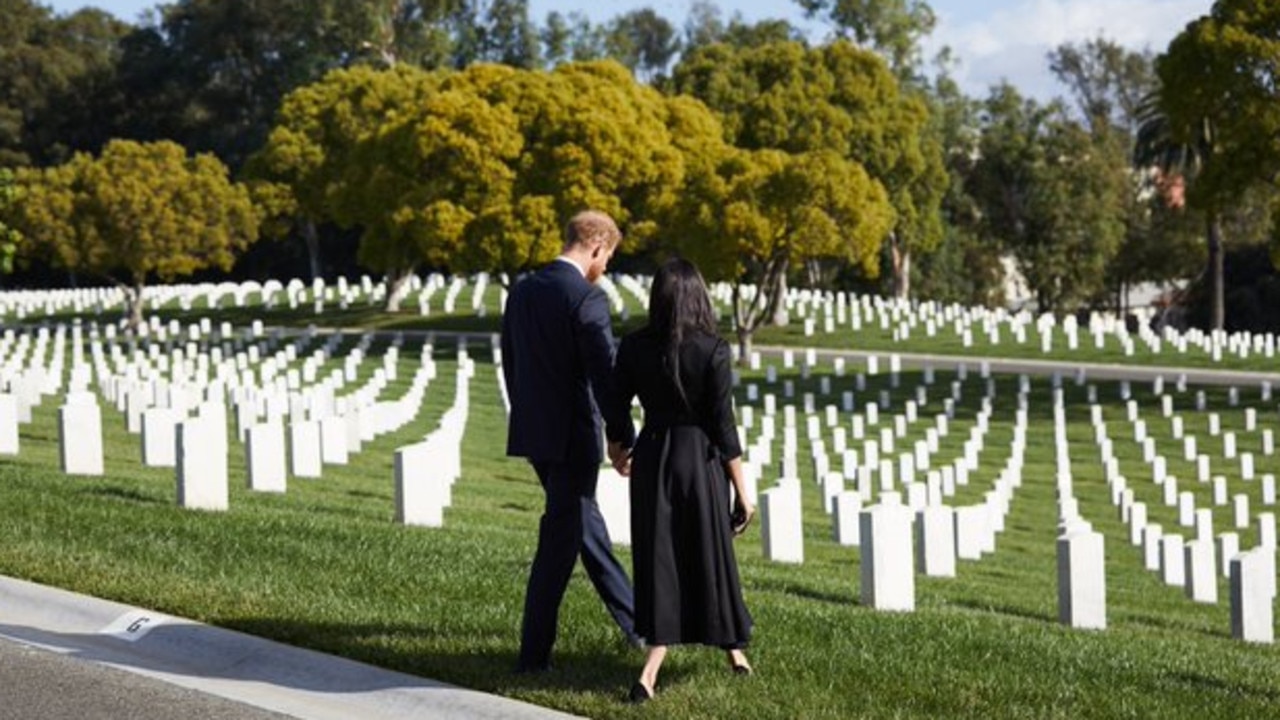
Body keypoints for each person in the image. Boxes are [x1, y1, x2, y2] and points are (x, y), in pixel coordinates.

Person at [608, 257, 755, 703]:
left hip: (653, 457)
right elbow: (723, 426)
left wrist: (620, 447)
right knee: (710, 555)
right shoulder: (713, 350)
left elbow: (615, 402)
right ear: (699, 298)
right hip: (700, 462)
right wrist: (743, 494)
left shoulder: (634, 346)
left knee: (661, 559)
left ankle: (656, 669)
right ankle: (730, 649)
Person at [501, 209, 642, 674]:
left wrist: (527, 418)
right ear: (597, 246)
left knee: (585, 526)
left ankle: (637, 624)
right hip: (573, 437)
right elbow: (605, 376)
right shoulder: (586, 299)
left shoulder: (522, 292)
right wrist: (624, 437)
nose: (608, 268)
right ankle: (532, 656)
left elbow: (512, 364)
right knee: (558, 545)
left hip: (535, 434)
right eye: (609, 258)